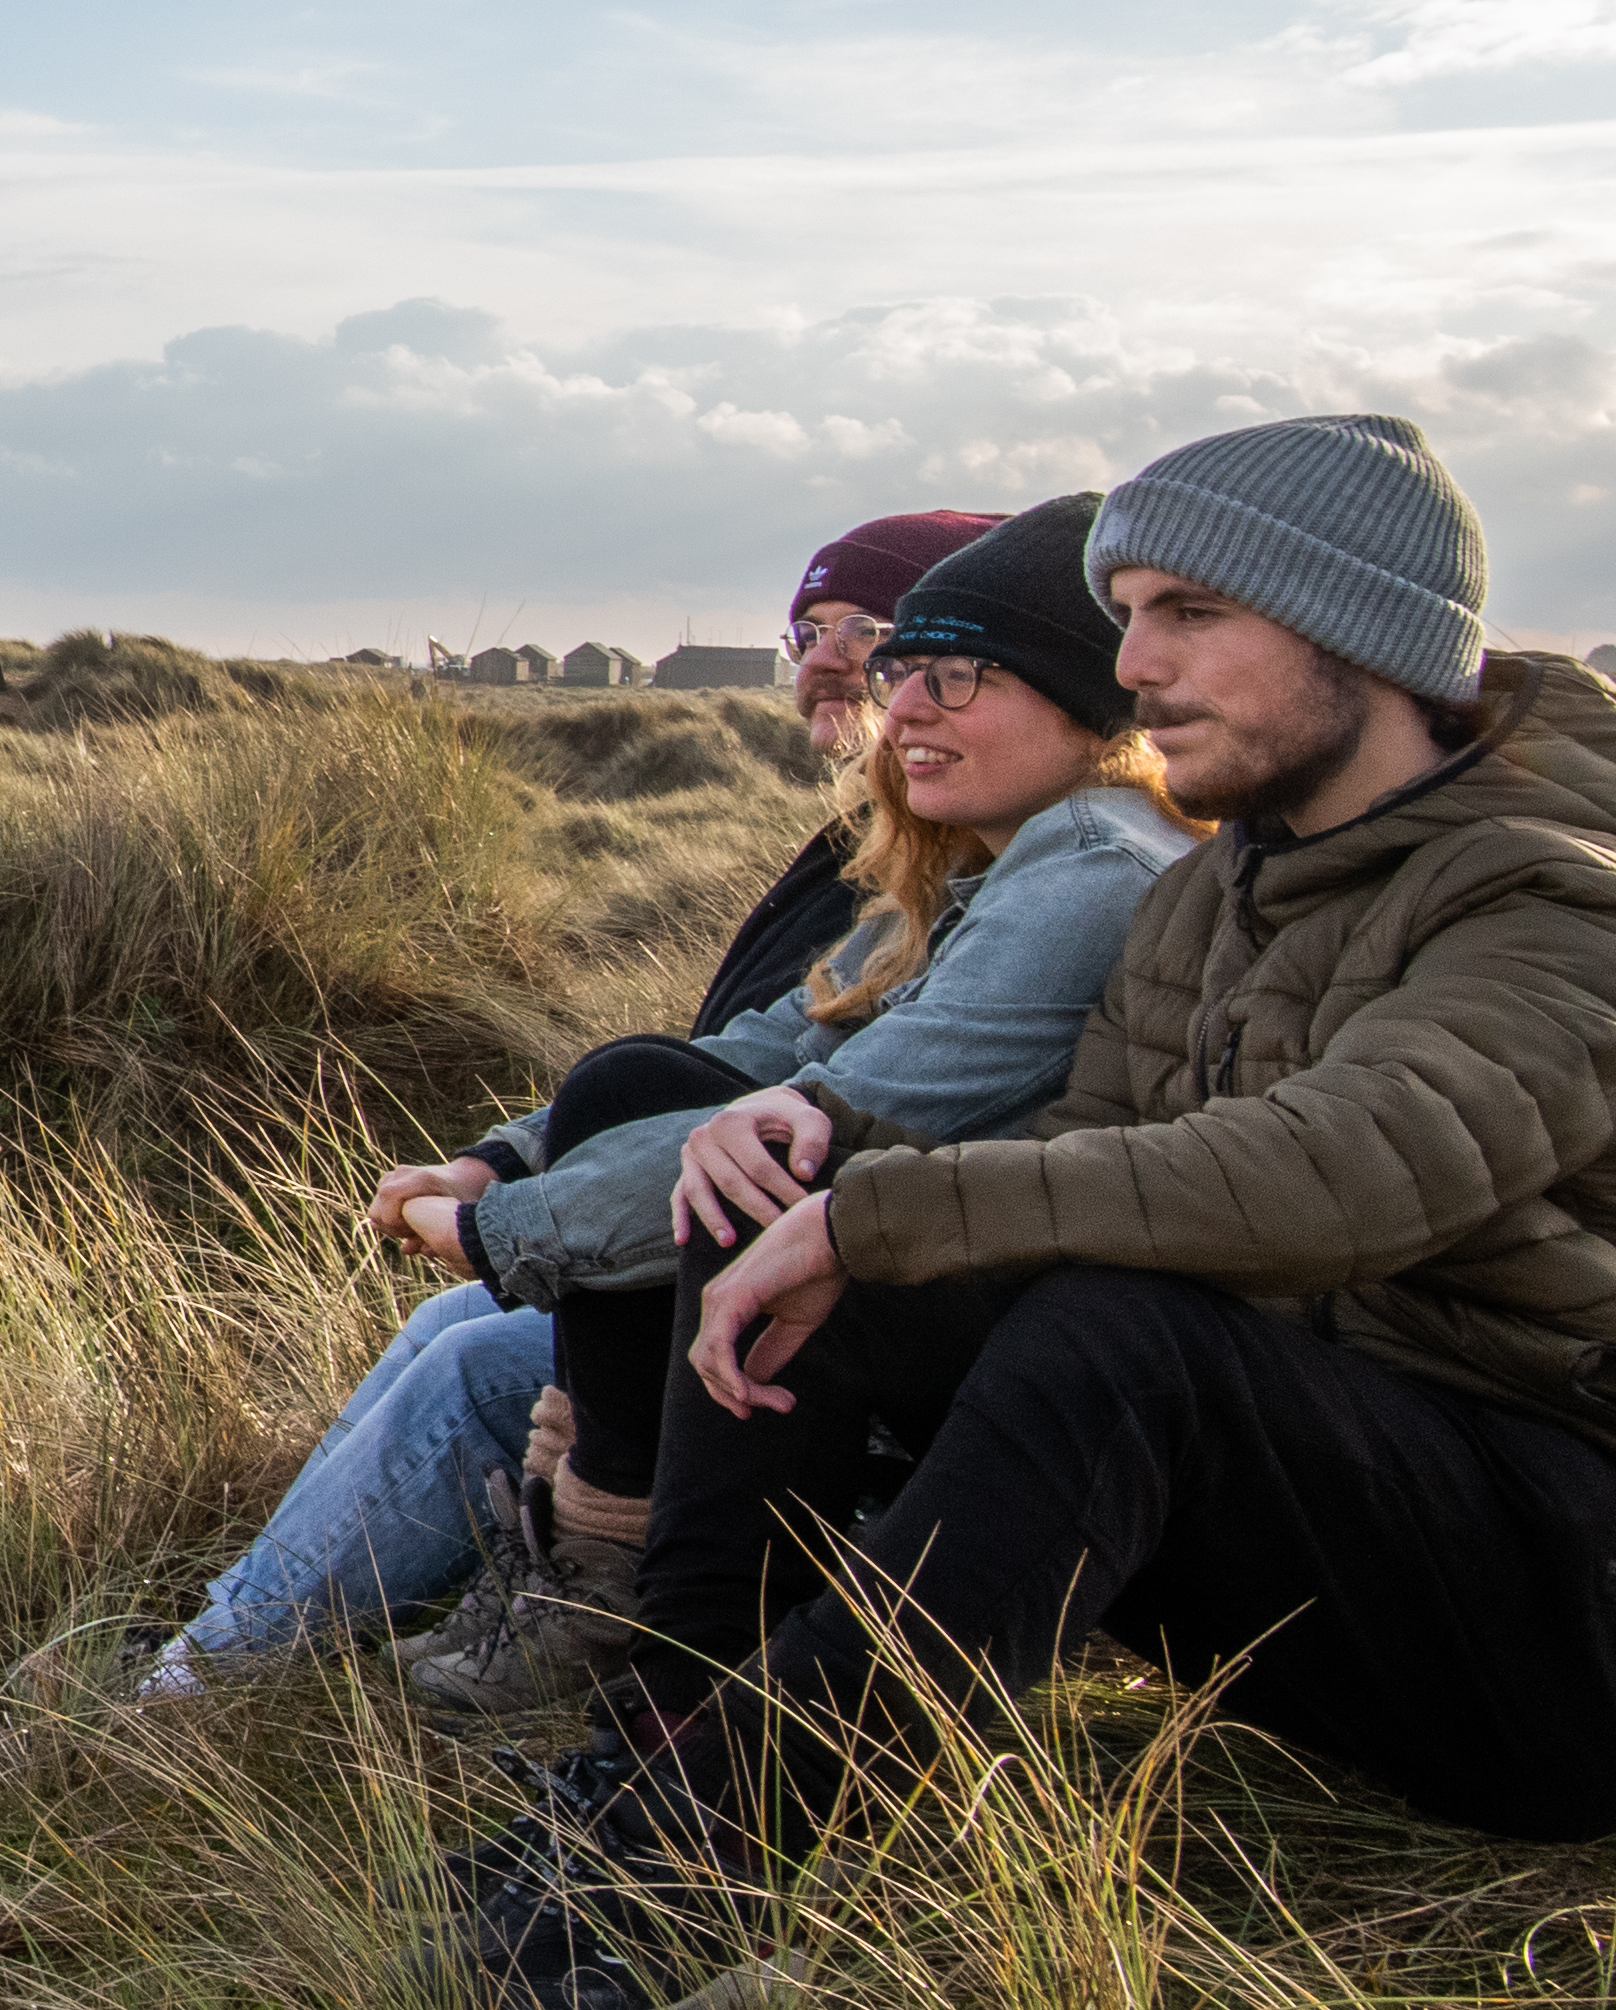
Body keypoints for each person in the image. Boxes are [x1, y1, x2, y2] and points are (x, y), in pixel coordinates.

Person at [455, 414, 1616, 2010]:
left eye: (1187, 610)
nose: (1134, 663)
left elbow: (1350, 1171)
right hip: (1342, 1553)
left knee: (1113, 1340)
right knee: (783, 1209)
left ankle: (684, 1878)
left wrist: (896, 1201)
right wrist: (826, 1145)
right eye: (1124, 613)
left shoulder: (1568, 894)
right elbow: (1095, 1154)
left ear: (1360, 628)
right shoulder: (1221, 893)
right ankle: (651, 1771)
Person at [107, 507, 989, 1699]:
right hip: (747, 1265)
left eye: (872, 632)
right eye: (806, 630)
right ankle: (238, 1628)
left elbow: (813, 1096)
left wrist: (505, 1227)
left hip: (827, 1323)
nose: (826, 659)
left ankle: (200, 1686)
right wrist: (502, 1162)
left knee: (478, 1361)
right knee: (450, 1329)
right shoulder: (878, 844)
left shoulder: (983, 871)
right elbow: (741, 1052)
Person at [402, 497, 1197, 1724]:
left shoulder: (1094, 865)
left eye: (958, 673)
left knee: (747, 1180)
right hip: (913, 1259)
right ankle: (600, 1588)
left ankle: (635, 1621)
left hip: (1009, 1303)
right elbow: (773, 1041)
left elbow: (852, 1105)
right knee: (644, 1080)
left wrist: (509, 1234)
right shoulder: (992, 849)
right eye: (901, 671)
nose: (909, 706)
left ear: (1085, 698)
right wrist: (501, 1159)